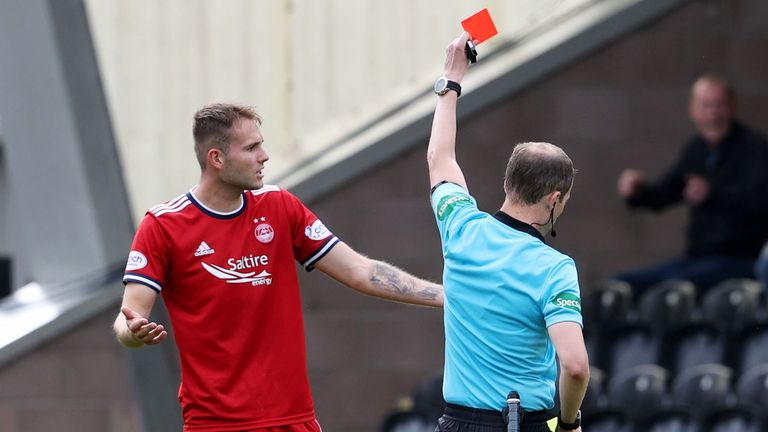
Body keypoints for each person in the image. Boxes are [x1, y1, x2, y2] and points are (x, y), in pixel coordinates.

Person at [113, 103, 443, 431]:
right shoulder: (163, 225)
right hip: (216, 425)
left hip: (294, 421)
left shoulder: (279, 206)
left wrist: (448, 296)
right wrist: (134, 332)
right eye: (252, 147)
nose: (265, 156)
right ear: (217, 158)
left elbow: (360, 270)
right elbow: (127, 320)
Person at [427, 33, 588, 432]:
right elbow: (575, 366)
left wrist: (452, 78)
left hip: (455, 424)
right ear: (554, 199)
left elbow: (439, 156)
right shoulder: (555, 269)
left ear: (506, 184)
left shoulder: (459, 227)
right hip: (522, 425)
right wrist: (568, 424)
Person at [615, 74, 768, 295]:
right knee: (622, 285)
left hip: (740, 259)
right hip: (697, 258)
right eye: (706, 106)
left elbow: (760, 200)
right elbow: (664, 194)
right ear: (693, 110)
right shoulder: (696, 149)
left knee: (674, 286)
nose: (713, 114)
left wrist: (713, 194)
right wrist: (637, 192)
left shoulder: (753, 146)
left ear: (732, 107)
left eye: (719, 105)